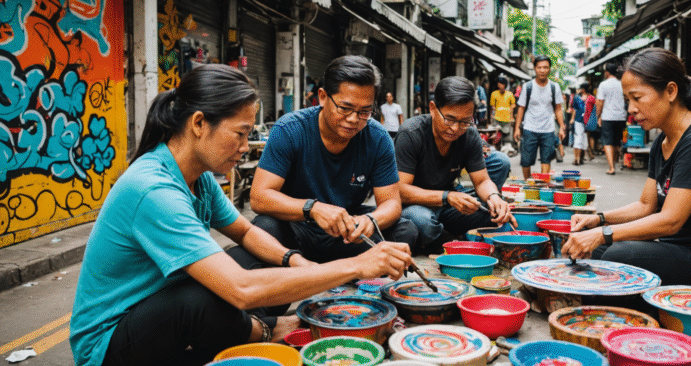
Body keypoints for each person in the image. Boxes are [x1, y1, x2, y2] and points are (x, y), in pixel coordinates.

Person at [69, 64, 413, 366]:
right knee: (205, 296)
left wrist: (299, 264)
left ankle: (245, 331)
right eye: (241, 133)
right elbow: (241, 289)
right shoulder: (153, 190)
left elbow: (246, 233)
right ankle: (262, 330)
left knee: (248, 256)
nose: (246, 146)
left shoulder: (198, 179)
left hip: (156, 314)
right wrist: (355, 266)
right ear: (199, 123)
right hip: (109, 346)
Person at [563, 48, 691, 290]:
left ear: (670, 91)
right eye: (628, 101)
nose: (631, 109)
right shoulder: (662, 141)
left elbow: (670, 221)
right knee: (600, 248)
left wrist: (602, 233)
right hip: (674, 249)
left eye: (637, 98)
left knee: (617, 256)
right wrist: (598, 220)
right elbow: (646, 205)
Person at [250, 56, 418, 264]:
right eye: (345, 108)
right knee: (264, 228)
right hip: (299, 227)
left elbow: (391, 202)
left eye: (365, 111)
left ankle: (325, 268)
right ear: (322, 97)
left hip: (348, 232)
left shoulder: (378, 137)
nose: (354, 119)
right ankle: (329, 266)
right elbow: (259, 197)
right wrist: (313, 209)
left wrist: (370, 221)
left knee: (405, 230)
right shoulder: (290, 130)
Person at [395, 76, 514, 250]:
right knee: (422, 222)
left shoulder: (469, 135)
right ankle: (449, 239)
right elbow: (401, 191)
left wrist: (493, 197)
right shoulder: (411, 133)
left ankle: (443, 232)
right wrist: (448, 197)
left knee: (496, 214)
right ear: (433, 108)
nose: (455, 128)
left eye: (465, 121)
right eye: (449, 119)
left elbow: (481, 181)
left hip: (449, 204)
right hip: (416, 205)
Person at [514, 55, 565, 180]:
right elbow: (521, 108)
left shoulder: (554, 87)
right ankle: (528, 185)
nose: (542, 70)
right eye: (539, 67)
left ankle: (543, 186)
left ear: (549, 69)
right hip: (530, 128)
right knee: (526, 161)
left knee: (546, 160)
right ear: (535, 68)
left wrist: (562, 127)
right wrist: (517, 128)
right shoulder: (527, 87)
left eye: (545, 67)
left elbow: (558, 108)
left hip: (548, 130)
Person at [596, 62, 627, 174]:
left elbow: (600, 102)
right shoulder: (622, 84)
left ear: (607, 72)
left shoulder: (603, 85)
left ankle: (611, 167)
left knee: (608, 142)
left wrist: (598, 115)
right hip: (621, 116)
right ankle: (616, 160)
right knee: (617, 141)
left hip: (608, 116)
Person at [570, 83, 593, 165]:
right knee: (580, 139)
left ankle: (579, 158)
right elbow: (575, 109)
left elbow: (575, 109)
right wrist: (572, 118)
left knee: (582, 140)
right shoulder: (585, 97)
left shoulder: (587, 98)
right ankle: (578, 159)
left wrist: (572, 118)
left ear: (583, 89)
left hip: (584, 121)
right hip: (581, 121)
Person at [489, 77, 515, 148]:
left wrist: (511, 116)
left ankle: (507, 148)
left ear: (505, 85)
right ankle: (498, 148)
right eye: (499, 83)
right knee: (496, 136)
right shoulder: (494, 94)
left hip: (507, 118)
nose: (500, 85)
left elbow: (513, 105)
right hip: (497, 118)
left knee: (507, 135)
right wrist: (492, 117)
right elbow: (492, 106)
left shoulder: (509, 94)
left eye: (502, 84)